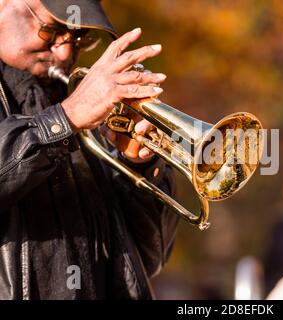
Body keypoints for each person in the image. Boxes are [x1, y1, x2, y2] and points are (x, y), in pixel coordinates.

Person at [0, 0, 179, 299]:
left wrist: (139, 167)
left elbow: (152, 258)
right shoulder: (78, 107)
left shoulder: (87, 102)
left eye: (80, 38)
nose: (66, 52)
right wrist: (64, 119)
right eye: (51, 30)